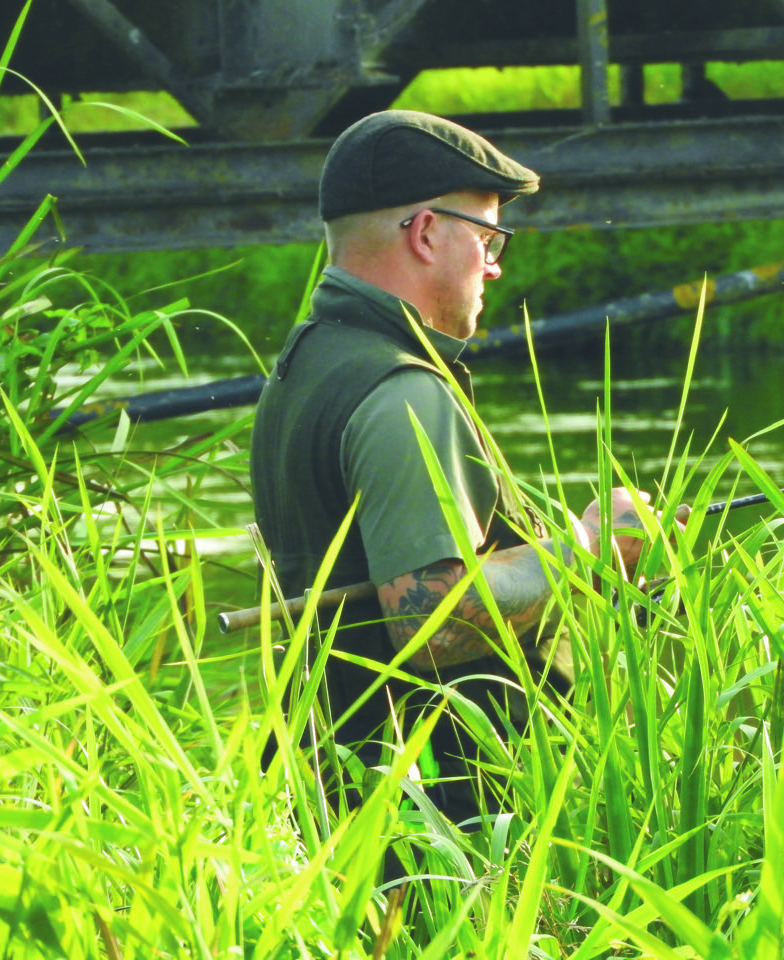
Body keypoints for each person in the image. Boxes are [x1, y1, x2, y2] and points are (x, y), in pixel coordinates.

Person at [250, 110, 658, 820]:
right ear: (426, 232)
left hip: (352, 803)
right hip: (445, 834)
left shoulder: (307, 360)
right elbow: (433, 623)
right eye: (488, 236)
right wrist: (589, 550)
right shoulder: (400, 389)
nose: (496, 263)